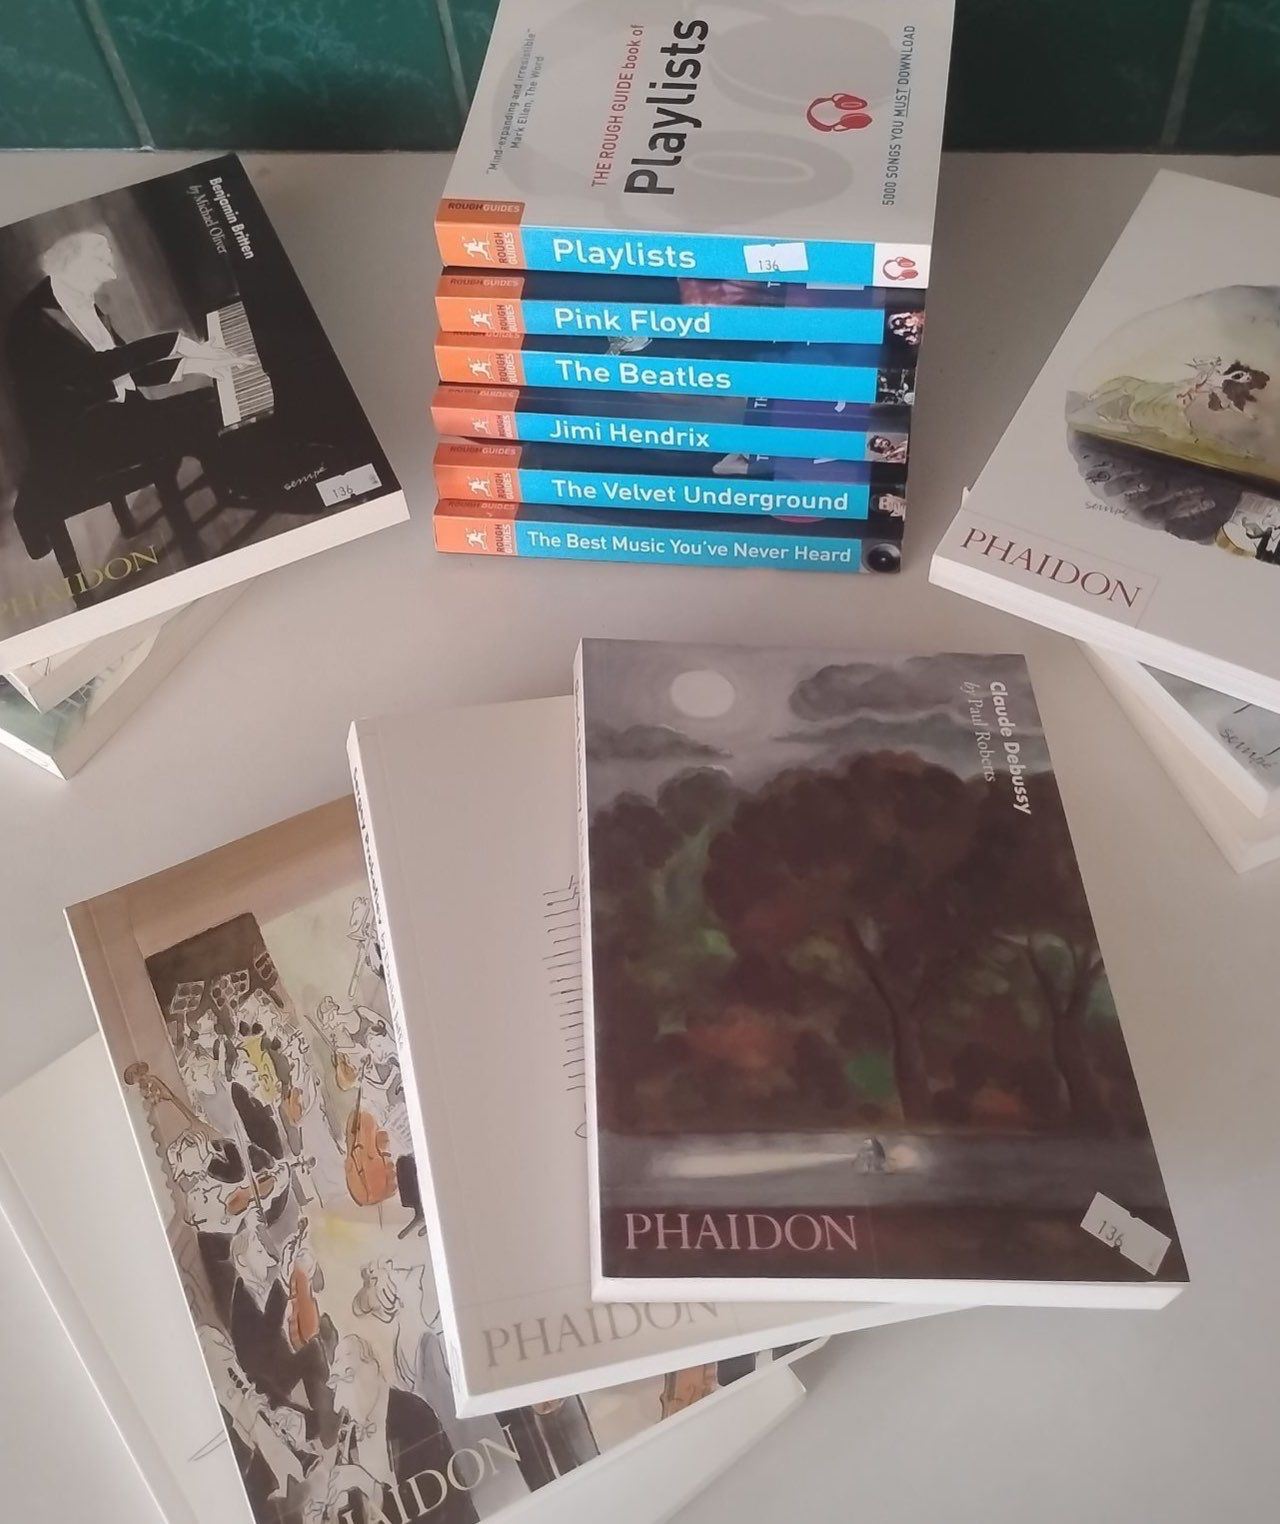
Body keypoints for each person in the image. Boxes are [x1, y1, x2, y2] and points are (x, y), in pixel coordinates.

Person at [5, 229, 251, 559]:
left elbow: (130, 369)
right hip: (79, 440)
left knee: (210, 399)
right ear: (73, 264)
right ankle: (243, 490)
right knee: (204, 415)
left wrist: (197, 364)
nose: (110, 268)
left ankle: (237, 483)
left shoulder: (82, 300)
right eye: (101, 261)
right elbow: (95, 371)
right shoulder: (30, 322)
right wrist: (177, 343)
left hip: (113, 420)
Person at [312, 1334, 478, 1524]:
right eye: (336, 1387)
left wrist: (369, 1486)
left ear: (369, 1370)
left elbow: (435, 1500)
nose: (338, 1404)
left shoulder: (412, 1412)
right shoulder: (351, 1435)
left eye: (345, 1380)